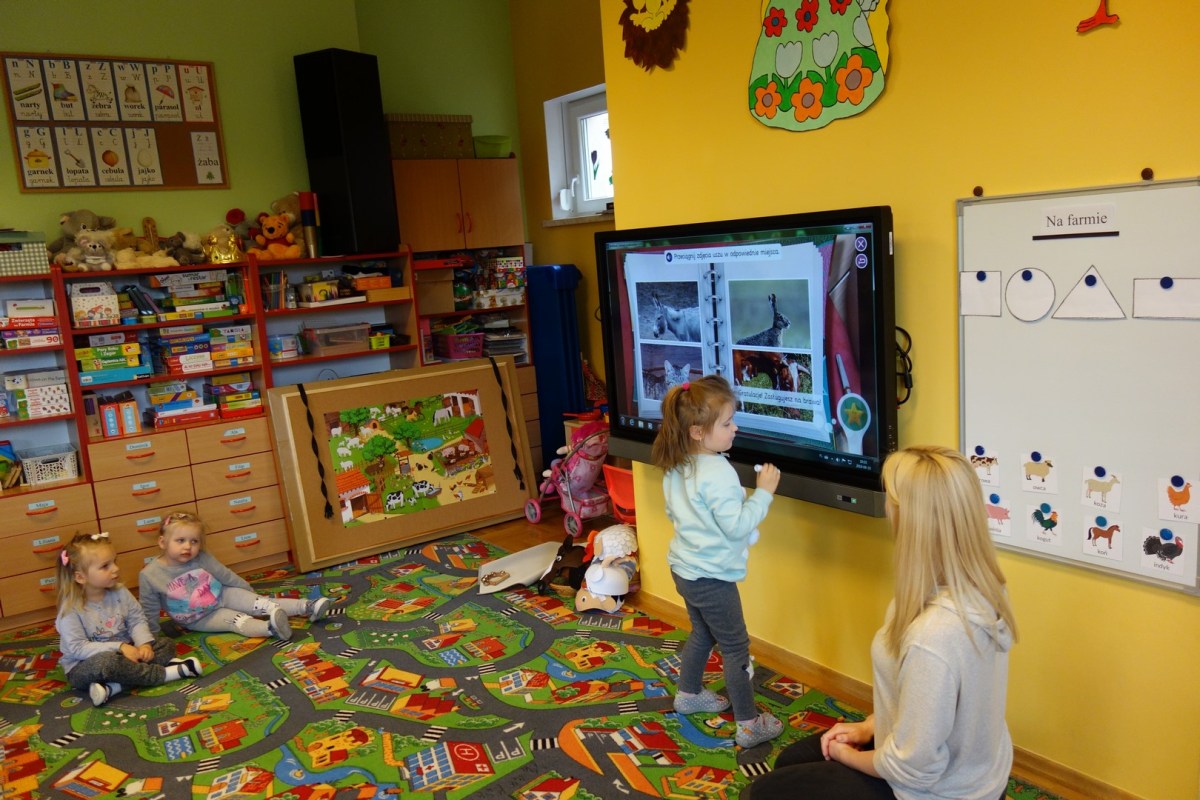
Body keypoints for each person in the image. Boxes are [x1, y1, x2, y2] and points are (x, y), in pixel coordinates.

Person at [748, 445, 1019, 800]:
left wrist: (846, 754)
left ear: (912, 520)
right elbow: (930, 709)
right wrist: (870, 727)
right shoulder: (984, 587)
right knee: (792, 761)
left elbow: (913, 768)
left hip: (938, 792)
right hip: (971, 769)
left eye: (891, 500)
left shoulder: (934, 635)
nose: (888, 509)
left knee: (763, 793)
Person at [651, 374, 784, 749]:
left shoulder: (676, 464)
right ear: (697, 432)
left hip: (683, 569)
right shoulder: (720, 473)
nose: (734, 428)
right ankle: (749, 725)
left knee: (703, 632)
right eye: (726, 424)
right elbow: (737, 526)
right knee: (737, 648)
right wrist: (764, 494)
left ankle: (689, 694)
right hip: (712, 578)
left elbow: (675, 513)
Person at [56, 531, 203, 707]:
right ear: (80, 577)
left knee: (166, 645)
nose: (115, 569)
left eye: (114, 562)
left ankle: (114, 687)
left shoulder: (120, 591)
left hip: (127, 654)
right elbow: (78, 648)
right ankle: (167, 674)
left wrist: (144, 644)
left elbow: (136, 619)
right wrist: (120, 647)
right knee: (108, 663)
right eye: (105, 566)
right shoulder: (69, 610)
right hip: (85, 665)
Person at [139, 511, 330, 641]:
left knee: (261, 603)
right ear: (162, 542)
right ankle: (271, 629)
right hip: (197, 617)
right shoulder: (150, 575)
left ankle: (307, 606)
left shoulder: (201, 557)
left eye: (194, 541)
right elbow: (150, 608)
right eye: (180, 540)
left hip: (222, 594)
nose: (188, 547)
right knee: (236, 620)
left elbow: (224, 575)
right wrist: (150, 638)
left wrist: (247, 592)